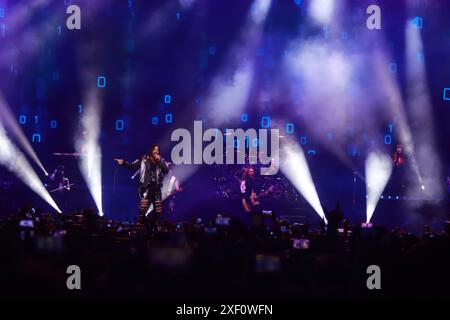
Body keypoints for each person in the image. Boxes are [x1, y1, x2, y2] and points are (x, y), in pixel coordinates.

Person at [114, 144, 169, 227]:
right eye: (154, 149)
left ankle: (154, 226)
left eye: (157, 150)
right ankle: (140, 225)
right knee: (143, 208)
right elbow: (132, 166)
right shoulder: (143, 160)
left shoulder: (161, 161)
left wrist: (160, 160)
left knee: (158, 210)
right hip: (146, 188)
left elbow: (166, 170)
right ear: (151, 151)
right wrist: (123, 163)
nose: (156, 151)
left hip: (156, 188)